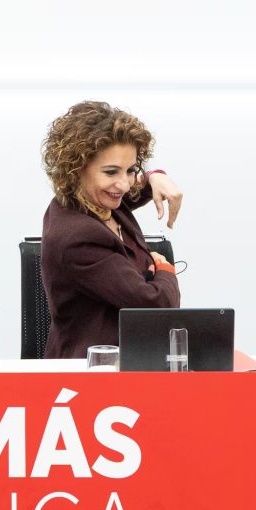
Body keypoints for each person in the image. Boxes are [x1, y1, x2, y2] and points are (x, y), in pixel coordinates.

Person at [36, 100, 189, 362]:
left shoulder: (96, 202)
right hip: (93, 374)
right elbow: (157, 306)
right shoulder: (78, 237)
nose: (124, 184)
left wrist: (154, 175)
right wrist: (165, 270)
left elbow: (132, 190)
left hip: (132, 358)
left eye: (130, 170)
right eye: (110, 172)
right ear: (76, 170)